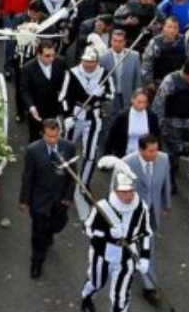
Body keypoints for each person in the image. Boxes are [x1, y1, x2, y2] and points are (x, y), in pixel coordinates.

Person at [79, 165, 152, 312]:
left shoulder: (141, 208)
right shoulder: (102, 207)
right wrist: (108, 234)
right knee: (96, 282)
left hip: (127, 256)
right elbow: (87, 228)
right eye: (123, 192)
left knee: (121, 296)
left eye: (130, 191)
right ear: (116, 191)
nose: (128, 196)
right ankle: (86, 298)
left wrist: (145, 257)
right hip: (101, 254)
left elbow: (146, 233)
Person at [113, 135, 171, 306]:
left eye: (156, 149)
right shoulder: (126, 164)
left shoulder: (163, 159)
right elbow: (115, 191)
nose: (155, 154)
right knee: (128, 247)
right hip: (130, 215)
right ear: (141, 150)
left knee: (148, 248)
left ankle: (149, 286)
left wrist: (166, 205)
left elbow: (166, 183)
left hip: (151, 214)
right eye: (151, 151)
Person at [18, 119, 76, 279]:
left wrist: (68, 197)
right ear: (42, 134)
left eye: (56, 136)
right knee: (38, 233)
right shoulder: (33, 150)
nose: (53, 140)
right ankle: (36, 262)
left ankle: (49, 233)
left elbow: (72, 175)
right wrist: (24, 200)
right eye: (49, 137)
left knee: (58, 225)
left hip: (60, 199)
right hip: (40, 199)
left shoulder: (69, 147)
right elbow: (28, 177)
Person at [60, 46, 114, 187]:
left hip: (93, 118)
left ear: (97, 62)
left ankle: (84, 183)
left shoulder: (104, 74)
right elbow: (63, 97)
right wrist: (67, 116)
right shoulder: (72, 73)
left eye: (92, 62)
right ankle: (63, 180)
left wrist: (101, 95)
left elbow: (111, 94)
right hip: (75, 116)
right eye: (86, 61)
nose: (89, 65)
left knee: (90, 153)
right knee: (66, 150)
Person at [151, 61, 189, 185]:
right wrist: (159, 124)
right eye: (187, 78)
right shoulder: (171, 80)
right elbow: (159, 103)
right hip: (173, 121)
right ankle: (169, 178)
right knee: (171, 152)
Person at [19, 42, 67, 143]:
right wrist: (31, 107)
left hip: (55, 108)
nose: (51, 59)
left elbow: (66, 83)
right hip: (37, 110)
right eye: (47, 56)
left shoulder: (60, 63)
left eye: (53, 55)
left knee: (54, 137)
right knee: (36, 138)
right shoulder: (28, 68)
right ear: (38, 55)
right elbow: (24, 90)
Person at [104, 89, 161, 158]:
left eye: (144, 102)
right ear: (132, 100)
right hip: (125, 155)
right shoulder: (122, 117)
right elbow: (111, 138)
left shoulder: (152, 117)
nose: (142, 105)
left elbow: (157, 138)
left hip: (146, 156)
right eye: (139, 102)